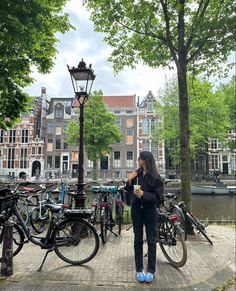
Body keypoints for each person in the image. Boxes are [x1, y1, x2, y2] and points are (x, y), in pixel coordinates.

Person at [124, 151, 164, 283]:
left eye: (139, 158)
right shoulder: (137, 174)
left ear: (145, 160)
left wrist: (143, 194)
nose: (137, 159)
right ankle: (139, 269)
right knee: (138, 239)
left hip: (150, 210)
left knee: (152, 240)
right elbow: (127, 190)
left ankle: (151, 270)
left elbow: (158, 198)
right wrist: (129, 180)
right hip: (136, 209)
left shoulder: (156, 177)